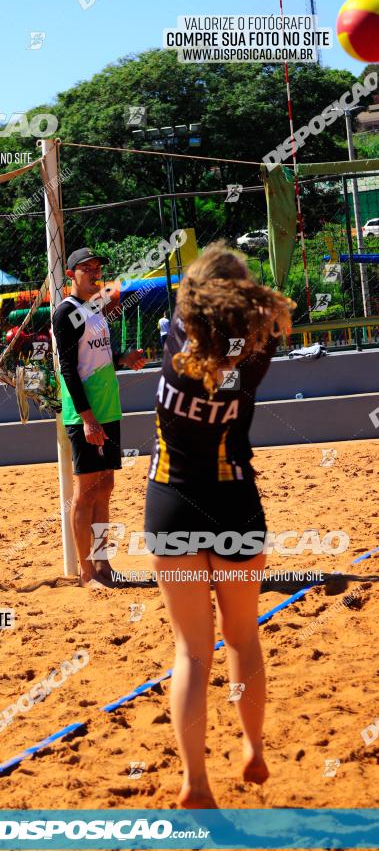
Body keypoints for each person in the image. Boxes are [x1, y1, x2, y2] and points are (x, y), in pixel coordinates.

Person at [144, 242, 294, 808]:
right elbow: (254, 324)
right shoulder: (258, 351)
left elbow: (192, 305)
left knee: (190, 653)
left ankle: (195, 782)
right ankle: (253, 750)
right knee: (243, 637)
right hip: (234, 502)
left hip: (171, 504)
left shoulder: (174, 344)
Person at [52, 246, 145, 588]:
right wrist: (87, 417)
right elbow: (68, 371)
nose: (94, 272)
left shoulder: (96, 310)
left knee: (105, 486)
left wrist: (124, 358)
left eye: (97, 267)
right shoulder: (66, 313)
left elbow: (99, 357)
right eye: (86, 268)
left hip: (108, 409)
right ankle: (85, 571)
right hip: (86, 415)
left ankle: (103, 562)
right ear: (72, 275)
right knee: (86, 491)